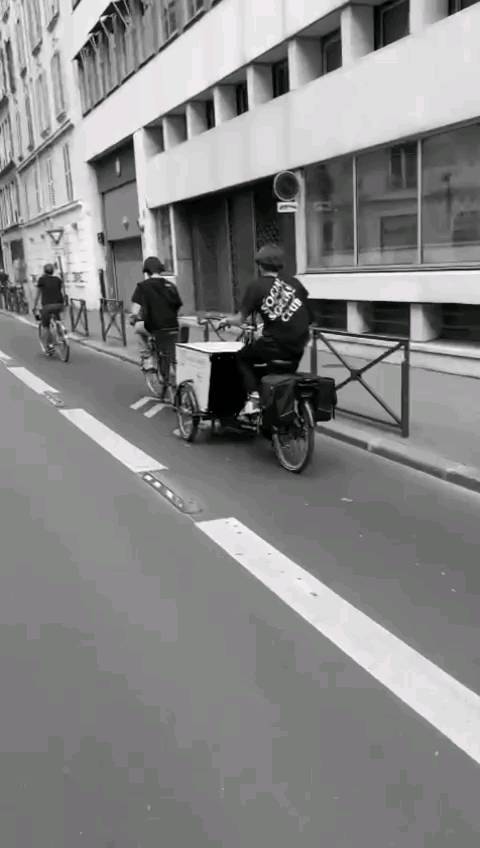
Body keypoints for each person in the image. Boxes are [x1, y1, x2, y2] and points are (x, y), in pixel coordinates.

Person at [218, 245, 311, 413]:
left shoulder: (256, 286)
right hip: (298, 347)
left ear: (259, 265)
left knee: (242, 358)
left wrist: (226, 321)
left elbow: (240, 319)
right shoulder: (295, 283)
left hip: (274, 346)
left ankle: (254, 397)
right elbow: (307, 314)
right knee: (281, 374)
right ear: (281, 265)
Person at [130, 256, 183, 370]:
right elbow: (178, 305)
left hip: (153, 327)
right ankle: (176, 368)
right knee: (173, 350)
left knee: (138, 329)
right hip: (173, 326)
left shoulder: (142, 286)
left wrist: (133, 317)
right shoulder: (171, 286)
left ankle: (147, 359)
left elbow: (135, 308)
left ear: (147, 271)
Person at [33, 264, 65, 350]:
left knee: (46, 326)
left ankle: (48, 346)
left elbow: (37, 295)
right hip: (59, 305)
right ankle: (62, 334)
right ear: (53, 271)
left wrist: (34, 305)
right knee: (57, 320)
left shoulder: (42, 280)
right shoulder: (58, 279)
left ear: (44, 271)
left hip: (47, 306)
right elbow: (60, 290)